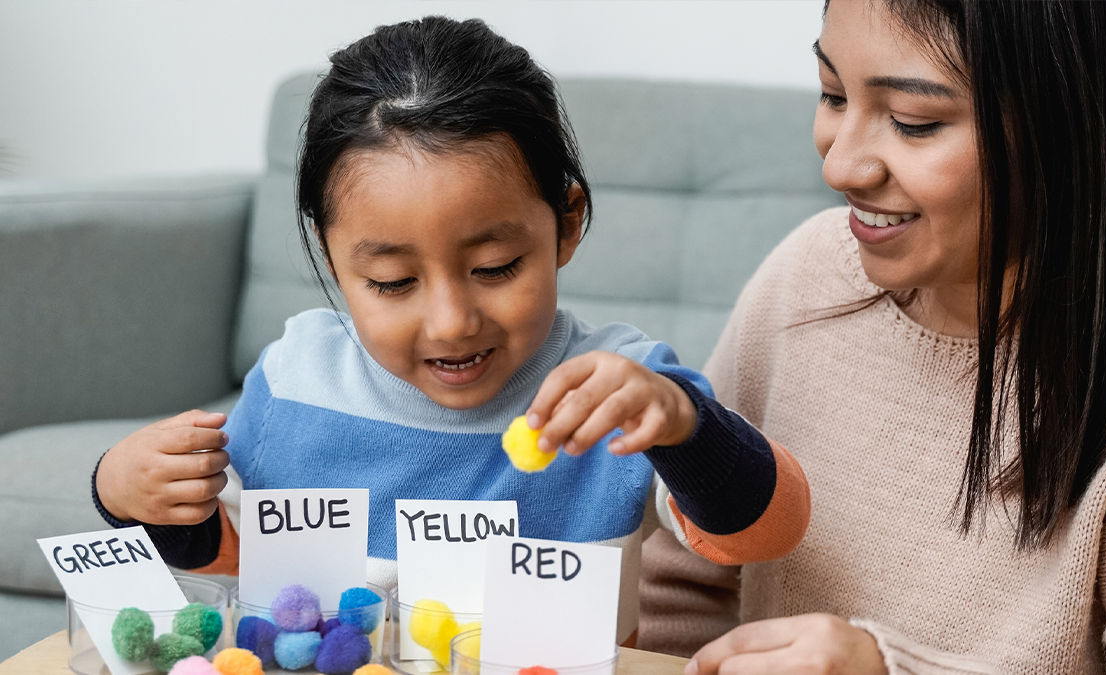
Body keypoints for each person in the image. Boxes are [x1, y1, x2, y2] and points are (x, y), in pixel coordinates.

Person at [88, 16, 810, 646]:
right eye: (393, 282)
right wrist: (126, 493)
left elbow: (767, 533)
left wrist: (682, 424)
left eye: (495, 266)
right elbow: (226, 551)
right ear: (334, 259)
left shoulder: (617, 390)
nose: (452, 322)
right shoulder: (297, 378)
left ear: (566, 223)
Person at [638, 0, 1106, 672]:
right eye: (833, 94)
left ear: (1075, 127)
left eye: (914, 123)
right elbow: (682, 584)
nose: (841, 167)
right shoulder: (807, 274)